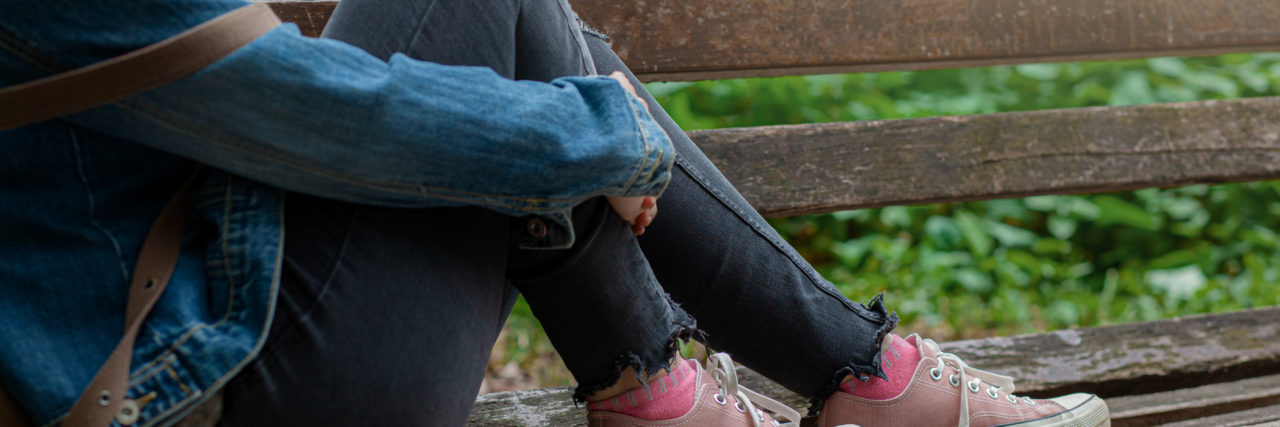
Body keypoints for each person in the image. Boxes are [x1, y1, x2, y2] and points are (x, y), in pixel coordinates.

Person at [0, 0, 1110, 425]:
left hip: (223, 350)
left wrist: (572, 125)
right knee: (520, 55)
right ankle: (864, 379)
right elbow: (328, 120)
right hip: (183, 395)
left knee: (541, 77)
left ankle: (716, 396)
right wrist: (611, 140)